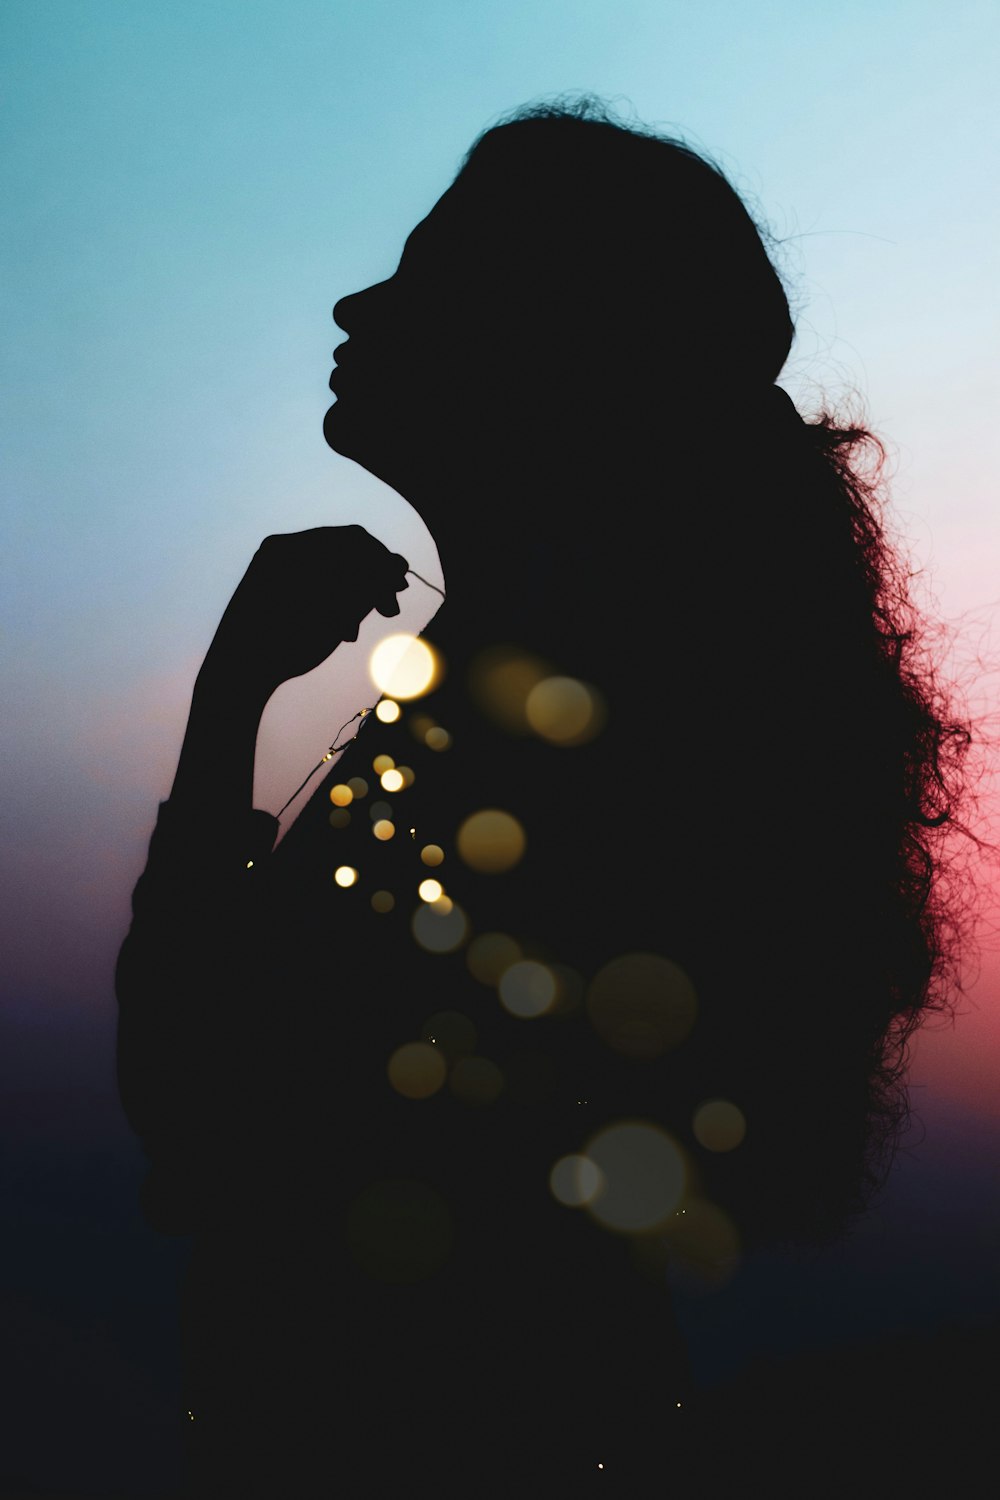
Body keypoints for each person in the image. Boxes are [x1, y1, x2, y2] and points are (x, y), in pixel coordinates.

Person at [115, 97, 977, 1495]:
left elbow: (202, 1115)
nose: (355, 300)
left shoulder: (553, 734)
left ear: (550, 346)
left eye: (424, 276)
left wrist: (228, 711)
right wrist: (234, 704)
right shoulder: (560, 690)